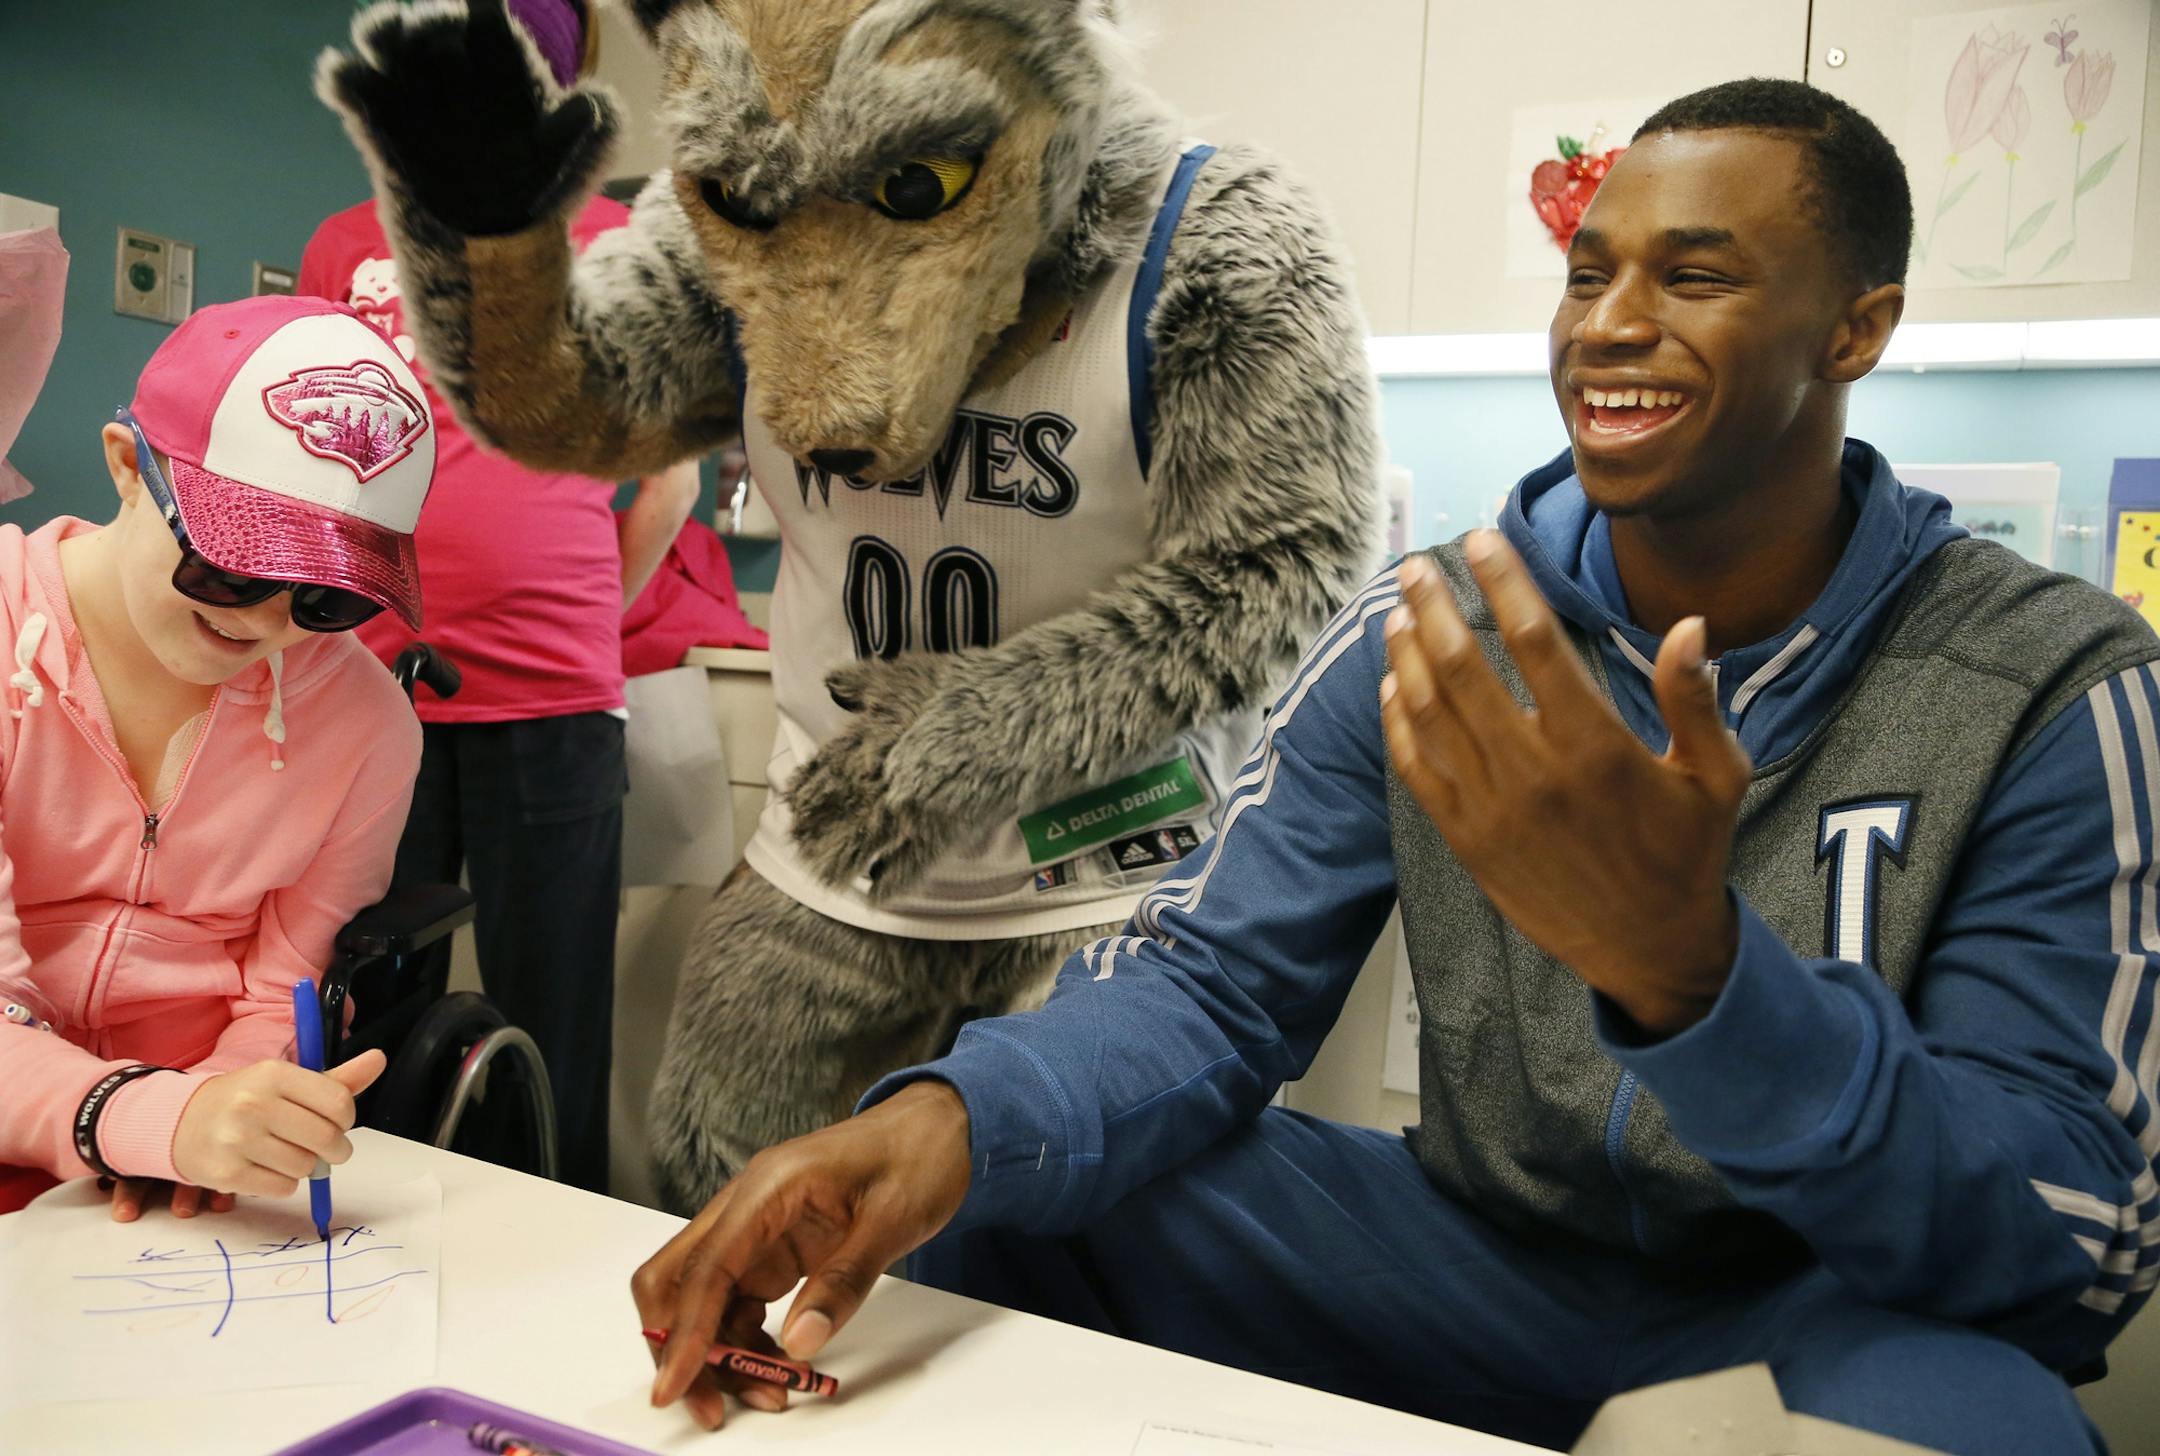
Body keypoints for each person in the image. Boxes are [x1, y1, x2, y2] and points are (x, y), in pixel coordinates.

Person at [628, 80, 2158, 1454]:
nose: (1612, 323)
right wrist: (943, 1121)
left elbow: (2067, 1237)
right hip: (1471, 1272)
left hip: (1823, 1313)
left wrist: (1703, 986)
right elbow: (1213, 990)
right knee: (1019, 1190)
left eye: (1694, 274)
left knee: (1988, 1416)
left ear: (1858, 328)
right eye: (1588, 273)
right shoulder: (1429, 630)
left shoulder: (2046, 684)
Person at [299, 191, 700, 1193]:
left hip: (554, 702)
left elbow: (673, 480)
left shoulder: (621, 241)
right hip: (368, 690)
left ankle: (561, 1265)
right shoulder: (344, 240)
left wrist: (581, 624)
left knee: (554, 1017)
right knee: (367, 1007)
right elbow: (307, 456)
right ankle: (362, 1245)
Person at [0, 295, 431, 1221]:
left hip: (191, 1168)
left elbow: (289, 992)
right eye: (231, 565)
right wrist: (142, 1114)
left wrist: (231, 1110)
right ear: (126, 467)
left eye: (328, 601)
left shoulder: (366, 727)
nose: (266, 624)